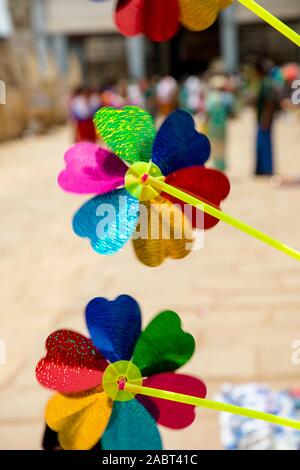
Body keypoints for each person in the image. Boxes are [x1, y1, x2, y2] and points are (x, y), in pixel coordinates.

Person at [255, 59, 279, 176]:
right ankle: (261, 169)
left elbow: (269, 103)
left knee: (264, 145)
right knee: (262, 144)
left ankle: (266, 170)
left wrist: (265, 119)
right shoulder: (268, 82)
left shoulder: (266, 83)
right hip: (264, 119)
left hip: (264, 119)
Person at [205, 75, 234, 171]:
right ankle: (221, 166)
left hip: (213, 126)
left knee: (214, 146)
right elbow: (231, 113)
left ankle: (216, 165)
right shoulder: (227, 97)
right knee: (222, 146)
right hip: (222, 126)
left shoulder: (210, 98)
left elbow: (207, 113)